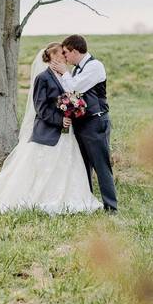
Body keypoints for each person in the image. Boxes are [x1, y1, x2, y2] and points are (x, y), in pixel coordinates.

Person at [0, 42, 103, 217]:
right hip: (48, 131)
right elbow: (40, 108)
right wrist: (60, 120)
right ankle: (38, 197)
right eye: (61, 53)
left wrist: (73, 111)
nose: (65, 56)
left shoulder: (63, 76)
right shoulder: (43, 78)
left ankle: (64, 195)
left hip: (67, 134)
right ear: (53, 56)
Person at [51, 34, 117, 212]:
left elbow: (74, 88)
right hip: (82, 123)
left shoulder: (94, 66)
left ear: (74, 50)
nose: (64, 57)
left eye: (65, 53)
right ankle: (88, 203)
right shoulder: (76, 70)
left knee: (101, 165)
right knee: (83, 166)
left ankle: (111, 207)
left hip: (96, 122)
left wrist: (64, 73)